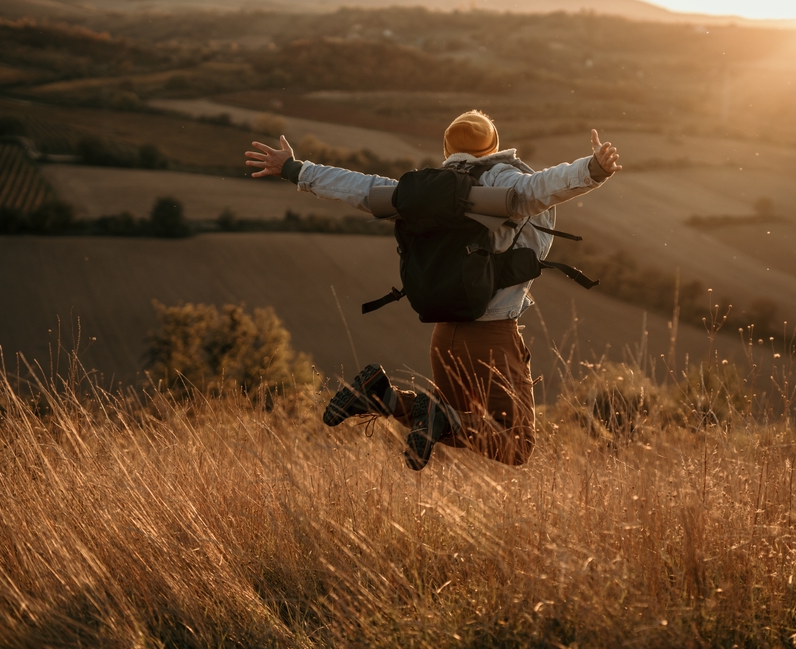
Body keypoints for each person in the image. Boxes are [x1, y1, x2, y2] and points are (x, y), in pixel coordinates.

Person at [245, 111, 621, 470]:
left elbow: (359, 187)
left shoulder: (422, 195)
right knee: (516, 445)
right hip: (491, 336)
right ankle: (415, 408)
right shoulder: (501, 182)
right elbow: (543, 186)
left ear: (447, 150)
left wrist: (295, 169)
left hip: (444, 336)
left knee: (453, 421)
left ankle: (380, 395)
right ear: (494, 146)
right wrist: (594, 169)